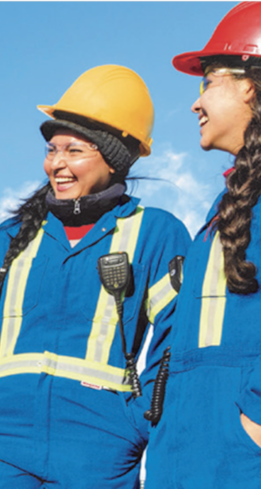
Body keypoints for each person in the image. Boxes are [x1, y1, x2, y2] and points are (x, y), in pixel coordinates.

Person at [0, 65, 189, 488]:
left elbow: (176, 341)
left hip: (101, 447)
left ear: (113, 159)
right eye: (52, 150)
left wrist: (138, 421)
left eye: (75, 151)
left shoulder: (155, 233)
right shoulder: (10, 236)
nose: (57, 164)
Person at [147, 2, 261, 486]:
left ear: (252, 85)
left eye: (208, 82)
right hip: (189, 455)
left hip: (236, 459)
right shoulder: (227, 203)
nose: (195, 103)